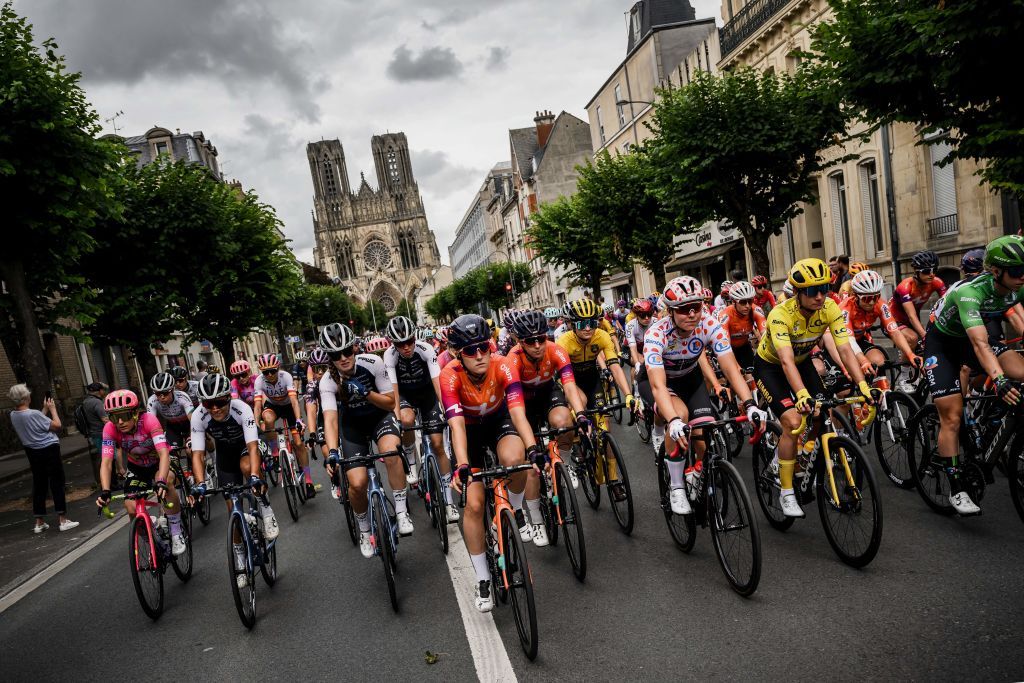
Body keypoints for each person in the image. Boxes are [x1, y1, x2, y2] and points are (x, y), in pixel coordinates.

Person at [755, 258, 874, 518]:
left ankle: (807, 451)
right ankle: (786, 491)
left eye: (825, 289)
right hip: (771, 367)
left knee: (823, 412)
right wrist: (801, 395)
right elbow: (785, 361)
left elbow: (844, 349)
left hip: (803, 361)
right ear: (797, 293)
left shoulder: (829, 307)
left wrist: (863, 385)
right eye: (812, 291)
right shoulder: (780, 314)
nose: (820, 296)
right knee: (792, 421)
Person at [639, 277, 765, 515]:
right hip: (658, 380)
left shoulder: (709, 324)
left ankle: (697, 473)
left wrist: (749, 404)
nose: (692, 314)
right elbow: (657, 385)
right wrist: (674, 421)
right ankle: (676, 486)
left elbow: (730, 368)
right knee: (680, 415)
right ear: (671, 311)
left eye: (697, 307)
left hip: (689, 377)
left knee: (703, 430)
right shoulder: (657, 333)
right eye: (685, 309)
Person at [443, 315, 543, 612]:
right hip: (469, 432)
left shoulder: (503, 365)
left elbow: (518, 413)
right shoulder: (449, 375)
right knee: (474, 504)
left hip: (499, 421)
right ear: (458, 354)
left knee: (517, 460)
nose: (479, 355)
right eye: (470, 351)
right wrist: (462, 464)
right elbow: (457, 426)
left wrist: (533, 448)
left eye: (484, 347)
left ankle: (513, 506)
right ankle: (484, 578)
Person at [925, 236, 1024, 515]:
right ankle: (957, 487)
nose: (1022, 277)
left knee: (1020, 371)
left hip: (972, 340)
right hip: (943, 344)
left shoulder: (1016, 287)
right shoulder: (969, 292)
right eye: (1017, 271)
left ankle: (992, 429)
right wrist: (1000, 380)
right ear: (995, 271)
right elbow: (980, 344)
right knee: (953, 415)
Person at [319, 323, 410, 551]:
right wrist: (331, 451)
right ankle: (364, 529)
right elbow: (330, 419)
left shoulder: (373, 363)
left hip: (379, 418)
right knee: (357, 484)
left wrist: (367, 393)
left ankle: (401, 512)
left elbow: (390, 403)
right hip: (353, 428)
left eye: (346, 351)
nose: (343, 358)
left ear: (354, 348)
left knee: (391, 454)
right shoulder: (327, 382)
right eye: (335, 355)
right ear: (329, 358)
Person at [507, 310, 591, 544]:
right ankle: (536, 520)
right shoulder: (512, 360)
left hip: (547, 393)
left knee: (565, 422)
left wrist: (581, 415)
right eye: (530, 341)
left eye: (541, 338)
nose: (537, 345)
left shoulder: (556, 351)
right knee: (532, 464)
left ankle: (564, 460)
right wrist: (531, 447)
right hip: (522, 402)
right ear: (520, 342)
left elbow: (570, 387)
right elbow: (515, 410)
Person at [188, 374, 279, 582]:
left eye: (219, 402)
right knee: (233, 512)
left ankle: (266, 508)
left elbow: (253, 447)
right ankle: (239, 559)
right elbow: (198, 454)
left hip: (249, 446)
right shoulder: (198, 416)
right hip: (225, 456)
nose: (215, 408)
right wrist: (200, 484)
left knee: (247, 467)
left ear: (228, 398)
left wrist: (256, 477)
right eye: (208, 404)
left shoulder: (241, 409)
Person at [383, 315, 459, 523]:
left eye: (409, 341)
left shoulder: (426, 349)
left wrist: (447, 410)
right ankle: (411, 459)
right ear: (393, 344)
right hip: (406, 396)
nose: (406, 347)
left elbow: (437, 381)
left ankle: (448, 501)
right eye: (400, 344)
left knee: (437, 444)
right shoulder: (389, 356)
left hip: (427, 395)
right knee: (406, 420)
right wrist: (397, 418)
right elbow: (394, 391)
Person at [95, 389, 187, 554]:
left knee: (167, 480)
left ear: (136, 413)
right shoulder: (109, 429)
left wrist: (161, 481)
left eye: (125, 415)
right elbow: (107, 462)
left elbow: (163, 453)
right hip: (137, 467)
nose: (120, 421)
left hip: (161, 460)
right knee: (131, 506)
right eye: (115, 417)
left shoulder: (149, 421)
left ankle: (176, 531)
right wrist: (105, 491)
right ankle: (155, 542)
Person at [8, 384, 79, 534]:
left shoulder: (13, 415)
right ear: (26, 397)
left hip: (32, 451)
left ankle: (39, 522)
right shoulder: (33, 413)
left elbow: (34, 423)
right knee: (57, 482)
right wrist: (52, 409)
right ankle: (63, 520)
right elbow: (57, 425)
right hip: (49, 449)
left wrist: (44, 409)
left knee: (39, 484)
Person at [253, 353, 313, 497]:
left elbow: (293, 402)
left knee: (298, 444)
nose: (269, 375)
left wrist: (298, 420)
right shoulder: (259, 381)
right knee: (266, 418)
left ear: (278, 368)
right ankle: (274, 452)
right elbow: (257, 405)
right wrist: (256, 423)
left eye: (272, 371)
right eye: (265, 372)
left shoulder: (285, 376)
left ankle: (309, 480)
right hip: (273, 406)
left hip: (288, 407)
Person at [80, 382, 110, 487]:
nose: (104, 392)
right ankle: (111, 483)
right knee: (108, 459)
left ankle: (102, 482)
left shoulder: (85, 402)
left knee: (101, 458)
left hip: (93, 433)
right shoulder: (97, 403)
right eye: (103, 390)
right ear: (100, 391)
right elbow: (105, 419)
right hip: (102, 433)